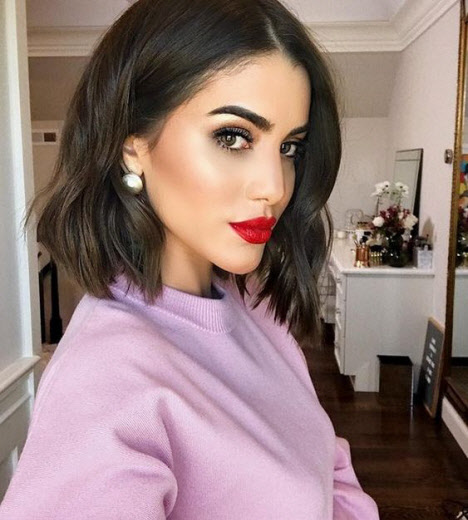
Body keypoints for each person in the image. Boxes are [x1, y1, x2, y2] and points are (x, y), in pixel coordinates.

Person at [0, 0, 380, 518]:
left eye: (289, 147)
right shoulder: (106, 386)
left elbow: (325, 461)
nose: (274, 187)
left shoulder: (251, 303)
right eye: (233, 136)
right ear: (134, 146)